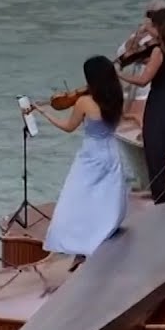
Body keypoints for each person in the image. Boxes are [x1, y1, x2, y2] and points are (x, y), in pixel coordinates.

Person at [23, 56, 129, 271]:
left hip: (91, 156)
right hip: (111, 153)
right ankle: (100, 237)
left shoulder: (85, 102)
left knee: (75, 200)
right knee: (104, 199)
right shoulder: (117, 98)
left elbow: (68, 127)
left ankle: (78, 245)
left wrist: (43, 112)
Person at [116, 7, 165, 203]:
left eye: (151, 26)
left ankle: (161, 194)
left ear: (159, 27)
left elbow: (143, 80)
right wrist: (139, 36)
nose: (148, 28)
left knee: (158, 147)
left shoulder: (158, 51)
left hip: (160, 102)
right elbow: (132, 56)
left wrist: (120, 75)